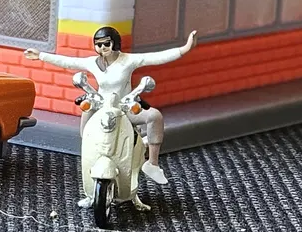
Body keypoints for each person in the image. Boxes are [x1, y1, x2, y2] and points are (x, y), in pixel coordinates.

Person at [24, 27, 197, 186]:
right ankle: (91, 178)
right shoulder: (93, 62)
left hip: (123, 108)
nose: (102, 48)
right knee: (85, 133)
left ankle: (152, 163)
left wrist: (185, 49)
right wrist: (41, 55)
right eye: (98, 44)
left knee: (154, 116)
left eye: (106, 43)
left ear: (114, 43)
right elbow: (69, 62)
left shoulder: (128, 60)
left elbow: (155, 57)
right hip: (100, 106)